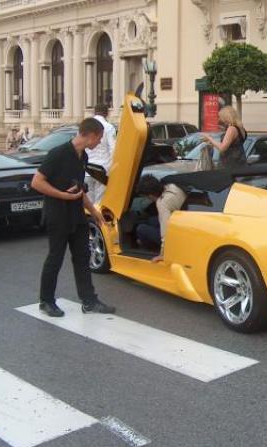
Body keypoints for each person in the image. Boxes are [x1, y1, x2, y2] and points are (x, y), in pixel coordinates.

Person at [31, 118, 116, 318]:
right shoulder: (58, 153)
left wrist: (94, 211)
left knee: (82, 258)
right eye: (100, 138)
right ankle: (46, 301)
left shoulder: (83, 157)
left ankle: (89, 301)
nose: (100, 142)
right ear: (92, 135)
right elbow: (36, 182)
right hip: (57, 215)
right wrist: (64, 195)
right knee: (55, 259)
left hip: (77, 215)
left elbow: (78, 188)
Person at [135, 174, 187, 263]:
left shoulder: (162, 203)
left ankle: (149, 249)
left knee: (141, 228)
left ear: (150, 195)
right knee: (151, 220)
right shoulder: (172, 187)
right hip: (182, 222)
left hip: (174, 236)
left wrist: (163, 253)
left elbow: (165, 231)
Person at [86, 104, 117, 202]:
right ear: (107, 113)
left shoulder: (86, 126)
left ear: (94, 112)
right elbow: (113, 149)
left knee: (88, 203)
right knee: (100, 202)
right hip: (103, 170)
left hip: (87, 169)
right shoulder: (109, 127)